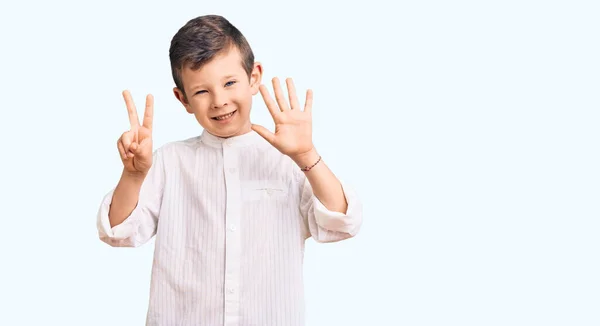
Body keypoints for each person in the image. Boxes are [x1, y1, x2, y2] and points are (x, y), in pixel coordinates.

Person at [96, 14, 363, 326]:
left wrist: (306, 154)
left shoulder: (288, 161)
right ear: (182, 99)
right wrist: (133, 175)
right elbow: (118, 232)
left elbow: (343, 223)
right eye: (201, 91)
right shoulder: (169, 162)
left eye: (230, 83)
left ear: (254, 77)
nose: (219, 101)